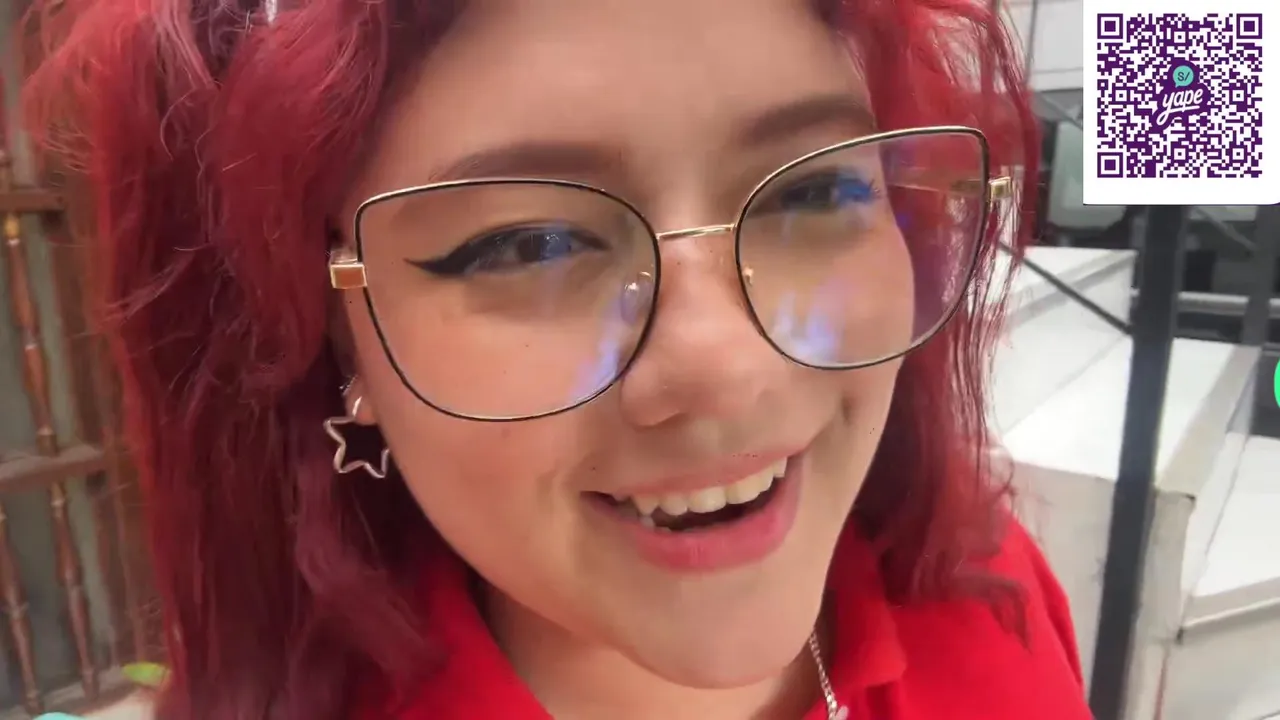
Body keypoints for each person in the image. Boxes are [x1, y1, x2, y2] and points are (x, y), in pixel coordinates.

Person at [22, 0, 1090, 718]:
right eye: (528, 245)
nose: (729, 368)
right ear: (335, 327)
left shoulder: (991, 600)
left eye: (814, 190)